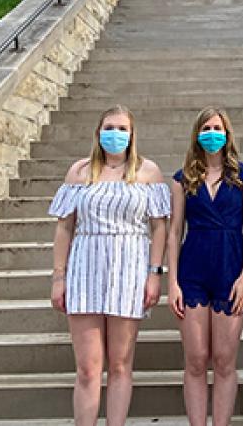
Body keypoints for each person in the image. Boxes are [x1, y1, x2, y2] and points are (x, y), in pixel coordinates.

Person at [49, 105, 170, 426]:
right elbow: (64, 227)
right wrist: (58, 277)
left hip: (129, 267)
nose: (115, 134)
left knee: (120, 365)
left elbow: (159, 227)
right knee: (88, 367)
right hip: (85, 266)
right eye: (109, 127)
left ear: (132, 135)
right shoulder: (79, 172)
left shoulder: (148, 172)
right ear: (98, 132)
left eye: (122, 129)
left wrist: (155, 274)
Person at [168, 107, 243, 426]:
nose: (211, 133)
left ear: (227, 133)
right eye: (205, 128)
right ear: (197, 134)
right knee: (195, 360)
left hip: (230, 267)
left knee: (224, 361)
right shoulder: (183, 179)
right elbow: (175, 230)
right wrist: (172, 282)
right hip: (192, 269)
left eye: (217, 128)